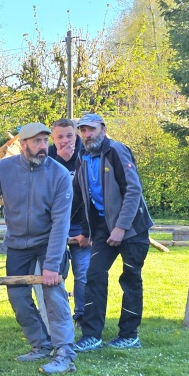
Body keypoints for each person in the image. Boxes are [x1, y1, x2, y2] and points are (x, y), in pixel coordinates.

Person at [0, 121, 76, 376]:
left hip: (48, 242)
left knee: (54, 294)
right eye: (37, 141)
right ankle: (41, 344)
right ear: (22, 144)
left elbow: (61, 224)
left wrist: (52, 265)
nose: (43, 146)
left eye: (45, 141)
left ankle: (65, 353)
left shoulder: (60, 175)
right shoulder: (4, 169)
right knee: (18, 297)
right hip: (18, 243)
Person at [72, 111, 153, 352]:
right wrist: (86, 231)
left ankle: (129, 335)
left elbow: (133, 190)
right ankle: (92, 336)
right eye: (83, 130)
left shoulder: (117, 150)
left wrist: (121, 227)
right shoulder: (83, 157)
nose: (87, 134)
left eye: (92, 129)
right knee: (94, 275)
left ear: (103, 130)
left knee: (130, 279)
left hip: (133, 229)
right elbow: (81, 197)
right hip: (102, 230)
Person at [48, 120, 89, 323]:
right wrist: (60, 162)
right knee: (54, 272)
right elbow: (44, 190)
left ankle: (81, 315)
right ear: (53, 138)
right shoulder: (47, 156)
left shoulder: (87, 154)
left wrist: (88, 231)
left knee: (83, 273)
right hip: (55, 226)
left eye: (69, 136)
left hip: (82, 224)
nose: (65, 141)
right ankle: (58, 315)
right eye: (60, 137)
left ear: (76, 135)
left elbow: (93, 194)